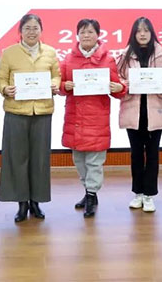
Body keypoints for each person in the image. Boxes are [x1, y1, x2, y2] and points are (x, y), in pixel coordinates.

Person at [0, 14, 61, 222]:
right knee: (17, 158)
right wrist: (5, 88)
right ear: (20, 31)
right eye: (27, 28)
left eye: (35, 28)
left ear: (41, 31)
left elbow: (57, 75)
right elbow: (1, 78)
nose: (31, 32)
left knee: (40, 159)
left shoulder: (50, 52)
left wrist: (55, 84)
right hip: (16, 111)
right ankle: (22, 203)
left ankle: (36, 201)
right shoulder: (9, 52)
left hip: (42, 111)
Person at [59, 19, 126, 218]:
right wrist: (64, 86)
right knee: (79, 160)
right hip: (75, 117)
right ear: (77, 35)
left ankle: (91, 194)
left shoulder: (108, 59)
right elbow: (60, 85)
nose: (86, 35)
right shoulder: (68, 59)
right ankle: (88, 191)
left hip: (97, 117)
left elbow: (118, 88)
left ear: (98, 35)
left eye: (90, 32)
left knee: (94, 162)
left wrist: (120, 88)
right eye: (83, 32)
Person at [117, 17, 162, 213]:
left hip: (154, 110)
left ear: (151, 33)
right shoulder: (124, 55)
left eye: (146, 30)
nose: (142, 34)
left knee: (152, 154)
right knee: (135, 154)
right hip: (133, 111)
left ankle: (149, 194)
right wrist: (127, 85)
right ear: (133, 34)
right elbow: (118, 81)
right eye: (139, 31)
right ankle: (138, 193)